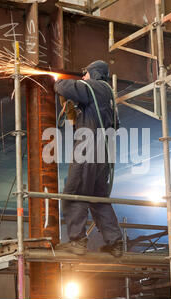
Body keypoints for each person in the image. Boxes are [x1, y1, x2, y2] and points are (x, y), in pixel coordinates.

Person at [54, 60, 123, 257]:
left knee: (74, 193)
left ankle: (77, 241)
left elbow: (67, 86)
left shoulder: (97, 87)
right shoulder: (108, 97)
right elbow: (114, 124)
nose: (83, 77)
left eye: (85, 74)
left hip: (88, 151)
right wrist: (79, 116)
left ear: (93, 73)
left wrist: (57, 81)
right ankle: (115, 242)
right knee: (98, 198)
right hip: (103, 155)